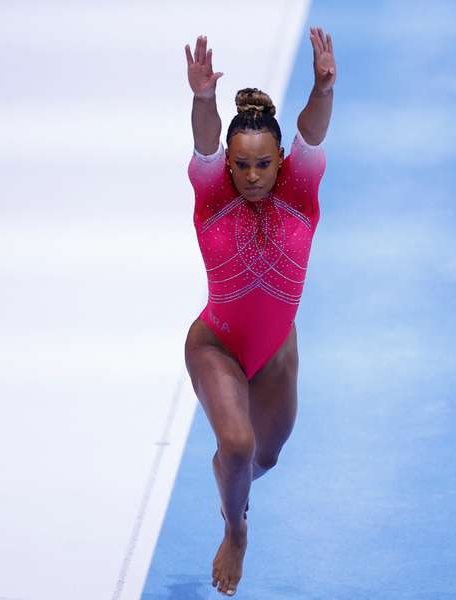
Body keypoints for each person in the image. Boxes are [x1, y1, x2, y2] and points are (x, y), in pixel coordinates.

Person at [183, 26, 336, 597]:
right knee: (240, 445)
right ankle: (236, 531)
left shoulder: (301, 192)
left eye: (262, 166)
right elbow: (202, 144)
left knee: (260, 459)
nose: (250, 177)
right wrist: (204, 100)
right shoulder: (212, 193)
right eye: (241, 166)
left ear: (278, 163)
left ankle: (233, 484)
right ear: (229, 163)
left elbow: (311, 134)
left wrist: (322, 88)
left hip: (276, 353)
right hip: (216, 344)